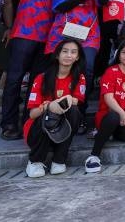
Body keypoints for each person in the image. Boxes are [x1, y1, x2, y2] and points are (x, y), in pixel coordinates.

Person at [2, 0, 66, 140]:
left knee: (36, 83)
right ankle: (9, 124)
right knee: (14, 79)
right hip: (24, 34)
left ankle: (28, 120)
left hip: (48, 39)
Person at [48, 0, 109, 126]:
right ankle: (56, 111)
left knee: (87, 69)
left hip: (89, 33)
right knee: (60, 69)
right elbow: (60, 6)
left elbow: (104, 2)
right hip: (63, 31)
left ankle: (79, 112)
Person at [24, 38, 86, 177]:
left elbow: (77, 100)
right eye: (65, 51)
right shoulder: (42, 78)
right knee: (48, 114)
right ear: (57, 55)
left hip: (61, 131)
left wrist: (67, 100)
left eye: (73, 52)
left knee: (75, 111)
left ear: (77, 57)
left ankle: (59, 160)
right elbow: (32, 114)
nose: (69, 55)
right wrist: (48, 106)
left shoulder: (79, 78)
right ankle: (35, 161)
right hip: (38, 131)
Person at [85, 39, 125, 173]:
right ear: (118, 54)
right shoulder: (111, 71)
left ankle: (109, 133)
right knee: (113, 117)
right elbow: (108, 98)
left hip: (124, 117)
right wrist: (122, 114)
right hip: (108, 115)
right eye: (124, 52)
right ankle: (94, 156)